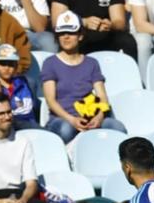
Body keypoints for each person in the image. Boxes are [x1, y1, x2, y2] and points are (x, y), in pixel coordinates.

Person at [40, 10, 126, 143]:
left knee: (117, 128)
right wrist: (72, 119)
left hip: (90, 116)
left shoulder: (91, 63)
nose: (66, 37)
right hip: (63, 119)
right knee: (66, 130)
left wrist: (99, 117)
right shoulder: (50, 63)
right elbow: (50, 101)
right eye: (62, 33)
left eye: (71, 32)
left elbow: (102, 96)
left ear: (80, 36)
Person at [0, 43, 40, 130]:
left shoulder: (28, 82)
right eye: (3, 63)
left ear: (16, 66)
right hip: (8, 128)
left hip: (31, 125)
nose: (7, 68)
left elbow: (35, 108)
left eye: (11, 64)